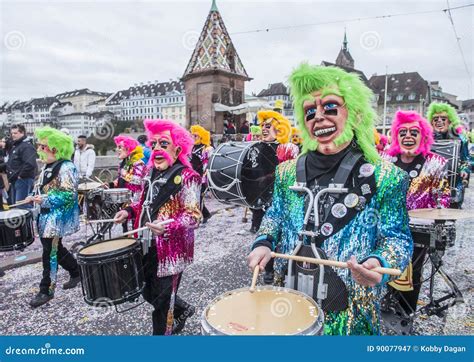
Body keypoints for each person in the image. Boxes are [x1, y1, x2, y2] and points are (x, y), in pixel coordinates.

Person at [247, 64, 412, 335]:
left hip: (350, 315)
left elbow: (397, 237)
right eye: (310, 112)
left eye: (331, 108)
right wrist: (263, 243)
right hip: (288, 302)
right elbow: (275, 216)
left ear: (356, 115)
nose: (319, 118)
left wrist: (380, 262)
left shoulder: (387, 178)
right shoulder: (286, 172)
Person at [114, 119, 201, 335]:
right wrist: (129, 211)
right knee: (146, 291)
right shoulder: (149, 172)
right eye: (153, 145)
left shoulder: (189, 177)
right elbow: (141, 201)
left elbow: (193, 217)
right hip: (144, 244)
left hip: (170, 249)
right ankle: (181, 308)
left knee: (162, 303)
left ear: (178, 148)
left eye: (163, 144)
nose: (157, 150)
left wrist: (168, 228)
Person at [381, 110, 450, 316]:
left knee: (412, 273)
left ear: (423, 136)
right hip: (386, 227)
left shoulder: (435, 163)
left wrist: (437, 222)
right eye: (402, 132)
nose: (408, 136)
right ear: (396, 136)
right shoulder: (384, 159)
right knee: (385, 267)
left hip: (418, 228)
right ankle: (385, 304)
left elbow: (442, 199)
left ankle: (405, 314)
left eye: (414, 132)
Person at [26, 127, 81, 308]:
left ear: (55, 149)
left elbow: (68, 194)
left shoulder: (66, 167)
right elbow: (43, 187)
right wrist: (33, 195)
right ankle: (76, 271)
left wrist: (45, 199)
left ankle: (46, 291)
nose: (40, 149)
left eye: (43, 146)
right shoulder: (48, 166)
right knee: (53, 249)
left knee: (49, 254)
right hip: (46, 217)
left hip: (57, 219)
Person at [427, 102, 470, 208]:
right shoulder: (425, 139)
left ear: (450, 121)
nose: (439, 121)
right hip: (430, 184)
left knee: (451, 214)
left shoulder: (460, 139)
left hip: (454, 183)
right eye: (436, 119)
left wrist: (464, 170)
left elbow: (465, 160)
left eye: (443, 118)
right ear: (431, 122)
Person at [109, 136, 146, 231]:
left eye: (120, 147)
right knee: (125, 227)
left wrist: (125, 174)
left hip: (135, 202)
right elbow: (121, 179)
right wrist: (113, 184)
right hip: (124, 201)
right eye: (117, 147)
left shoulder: (138, 163)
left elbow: (139, 181)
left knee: (133, 228)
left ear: (128, 148)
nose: (117, 150)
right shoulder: (123, 163)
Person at [6, 124, 38, 206]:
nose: (13, 135)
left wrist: (20, 176)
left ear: (22, 133)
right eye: (12, 133)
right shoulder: (16, 146)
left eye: (15, 133)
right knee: (17, 205)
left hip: (23, 179)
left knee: (22, 206)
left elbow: (30, 163)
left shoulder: (26, 146)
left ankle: (28, 219)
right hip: (16, 180)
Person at [190, 125, 213, 223]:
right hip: (192, 175)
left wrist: (204, 178)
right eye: (192, 135)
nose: (193, 138)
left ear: (202, 137)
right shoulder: (192, 147)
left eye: (196, 136)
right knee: (194, 196)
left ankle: (202, 215)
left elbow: (207, 165)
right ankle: (205, 214)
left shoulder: (206, 149)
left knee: (198, 197)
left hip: (201, 176)